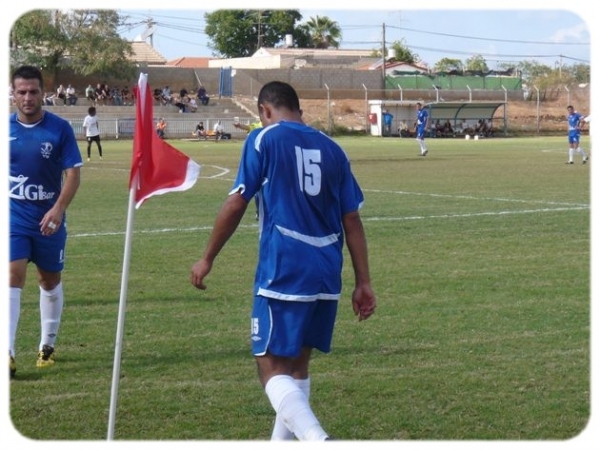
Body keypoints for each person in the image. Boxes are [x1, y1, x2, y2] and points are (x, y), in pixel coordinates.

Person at [190, 81, 376, 441]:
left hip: (285, 267)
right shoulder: (334, 149)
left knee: (270, 366)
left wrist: (207, 257)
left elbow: (237, 202)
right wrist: (363, 282)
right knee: (297, 367)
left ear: (265, 111)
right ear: (299, 111)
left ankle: (319, 440)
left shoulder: (264, 139)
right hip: (327, 270)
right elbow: (352, 219)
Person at [9, 65, 83, 378]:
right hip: (13, 218)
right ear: (13, 95)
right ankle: (8, 353)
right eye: (21, 92)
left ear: (43, 93)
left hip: (49, 219)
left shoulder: (59, 129)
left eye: (33, 91)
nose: (27, 97)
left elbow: (73, 174)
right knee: (12, 275)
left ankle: (47, 345)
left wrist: (58, 209)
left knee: (48, 281)